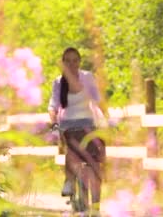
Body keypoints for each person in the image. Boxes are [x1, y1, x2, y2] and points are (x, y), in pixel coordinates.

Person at [48, 47, 105, 207]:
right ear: (63, 63)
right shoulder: (59, 82)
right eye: (68, 61)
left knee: (95, 163)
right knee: (72, 146)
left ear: (79, 62)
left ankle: (95, 203)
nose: (72, 64)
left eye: (75, 60)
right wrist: (54, 124)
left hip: (88, 123)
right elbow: (53, 106)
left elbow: (98, 100)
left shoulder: (87, 77)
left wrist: (105, 119)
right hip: (68, 126)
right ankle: (70, 179)